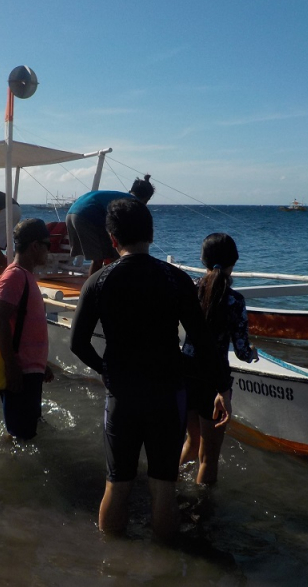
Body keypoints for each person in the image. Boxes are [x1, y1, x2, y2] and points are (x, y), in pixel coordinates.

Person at [69, 198, 215, 541]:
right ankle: (166, 561)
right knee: (163, 485)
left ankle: (112, 564)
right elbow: (202, 341)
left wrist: (104, 368)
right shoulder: (176, 279)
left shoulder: (99, 282)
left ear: (111, 238)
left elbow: (78, 343)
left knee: (117, 484)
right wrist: (188, 370)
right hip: (167, 392)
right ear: (150, 234)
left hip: (123, 391)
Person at [179, 233, 258, 484]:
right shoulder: (235, 300)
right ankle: (202, 514)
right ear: (233, 262)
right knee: (209, 458)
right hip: (215, 382)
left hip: (185, 373)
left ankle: (168, 489)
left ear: (203, 261)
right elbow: (243, 351)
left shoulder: (190, 290)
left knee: (191, 442)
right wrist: (251, 353)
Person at [0, 219, 55, 440]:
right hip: (20, 372)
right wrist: (11, 366)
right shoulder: (14, 276)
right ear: (35, 246)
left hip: (29, 370)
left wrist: (40, 364)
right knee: (20, 436)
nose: (50, 251)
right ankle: (11, 472)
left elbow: (25, 325)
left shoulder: (25, 276)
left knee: (28, 432)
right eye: (48, 245)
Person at [65, 175, 154, 275]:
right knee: (101, 259)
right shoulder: (132, 203)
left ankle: (104, 283)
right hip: (87, 216)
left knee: (105, 255)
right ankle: (96, 288)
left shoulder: (118, 195)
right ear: (147, 199)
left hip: (71, 213)